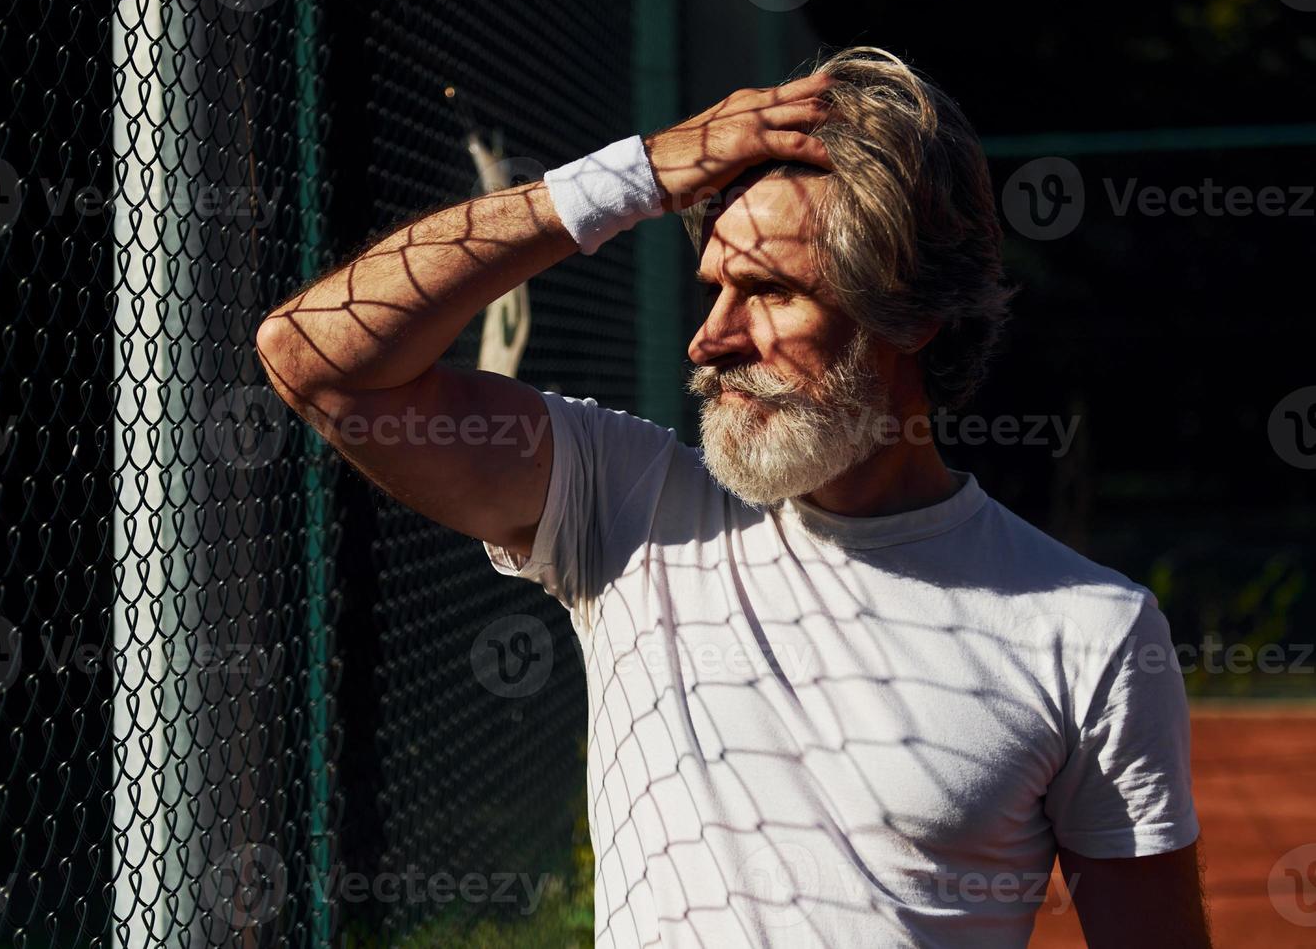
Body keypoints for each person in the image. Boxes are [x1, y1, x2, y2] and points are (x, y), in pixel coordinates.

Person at [256, 46, 1209, 948]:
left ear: (911, 313)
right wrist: (638, 173)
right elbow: (316, 356)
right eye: (713, 286)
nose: (709, 339)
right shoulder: (621, 505)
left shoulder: (1090, 631)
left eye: (769, 290)